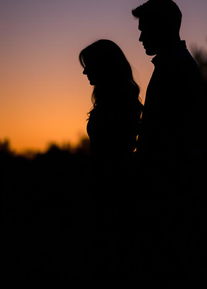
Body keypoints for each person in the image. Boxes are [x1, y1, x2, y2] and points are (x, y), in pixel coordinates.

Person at [131, 0, 207, 282]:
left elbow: (170, 140)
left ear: (161, 26)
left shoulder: (176, 69)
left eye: (143, 28)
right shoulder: (173, 65)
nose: (139, 37)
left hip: (168, 198)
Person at [79, 39, 143, 277]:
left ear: (105, 65)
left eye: (89, 65)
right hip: (106, 188)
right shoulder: (111, 100)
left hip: (115, 192)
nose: (84, 71)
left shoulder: (120, 103)